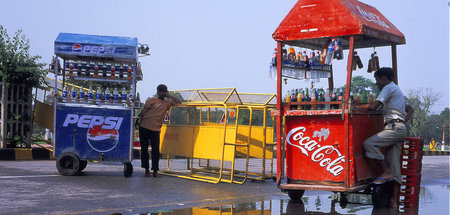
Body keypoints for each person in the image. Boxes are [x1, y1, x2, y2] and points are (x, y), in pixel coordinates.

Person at [356, 67, 414, 208]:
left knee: (369, 144)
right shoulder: (396, 90)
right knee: (394, 164)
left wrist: (356, 105)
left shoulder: (388, 88)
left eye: (377, 80)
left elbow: (373, 107)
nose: (376, 83)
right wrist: (402, 123)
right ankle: (394, 201)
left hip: (394, 128)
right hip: (398, 128)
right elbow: (410, 109)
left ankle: (385, 172)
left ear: (383, 79)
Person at [136, 84, 180, 177]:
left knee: (155, 150)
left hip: (155, 129)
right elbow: (143, 111)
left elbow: (179, 101)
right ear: (158, 92)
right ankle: (147, 170)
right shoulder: (151, 100)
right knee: (144, 149)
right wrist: (138, 119)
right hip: (144, 126)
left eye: (164, 92)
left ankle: (155, 171)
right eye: (161, 91)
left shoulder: (167, 103)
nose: (163, 93)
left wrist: (169, 95)